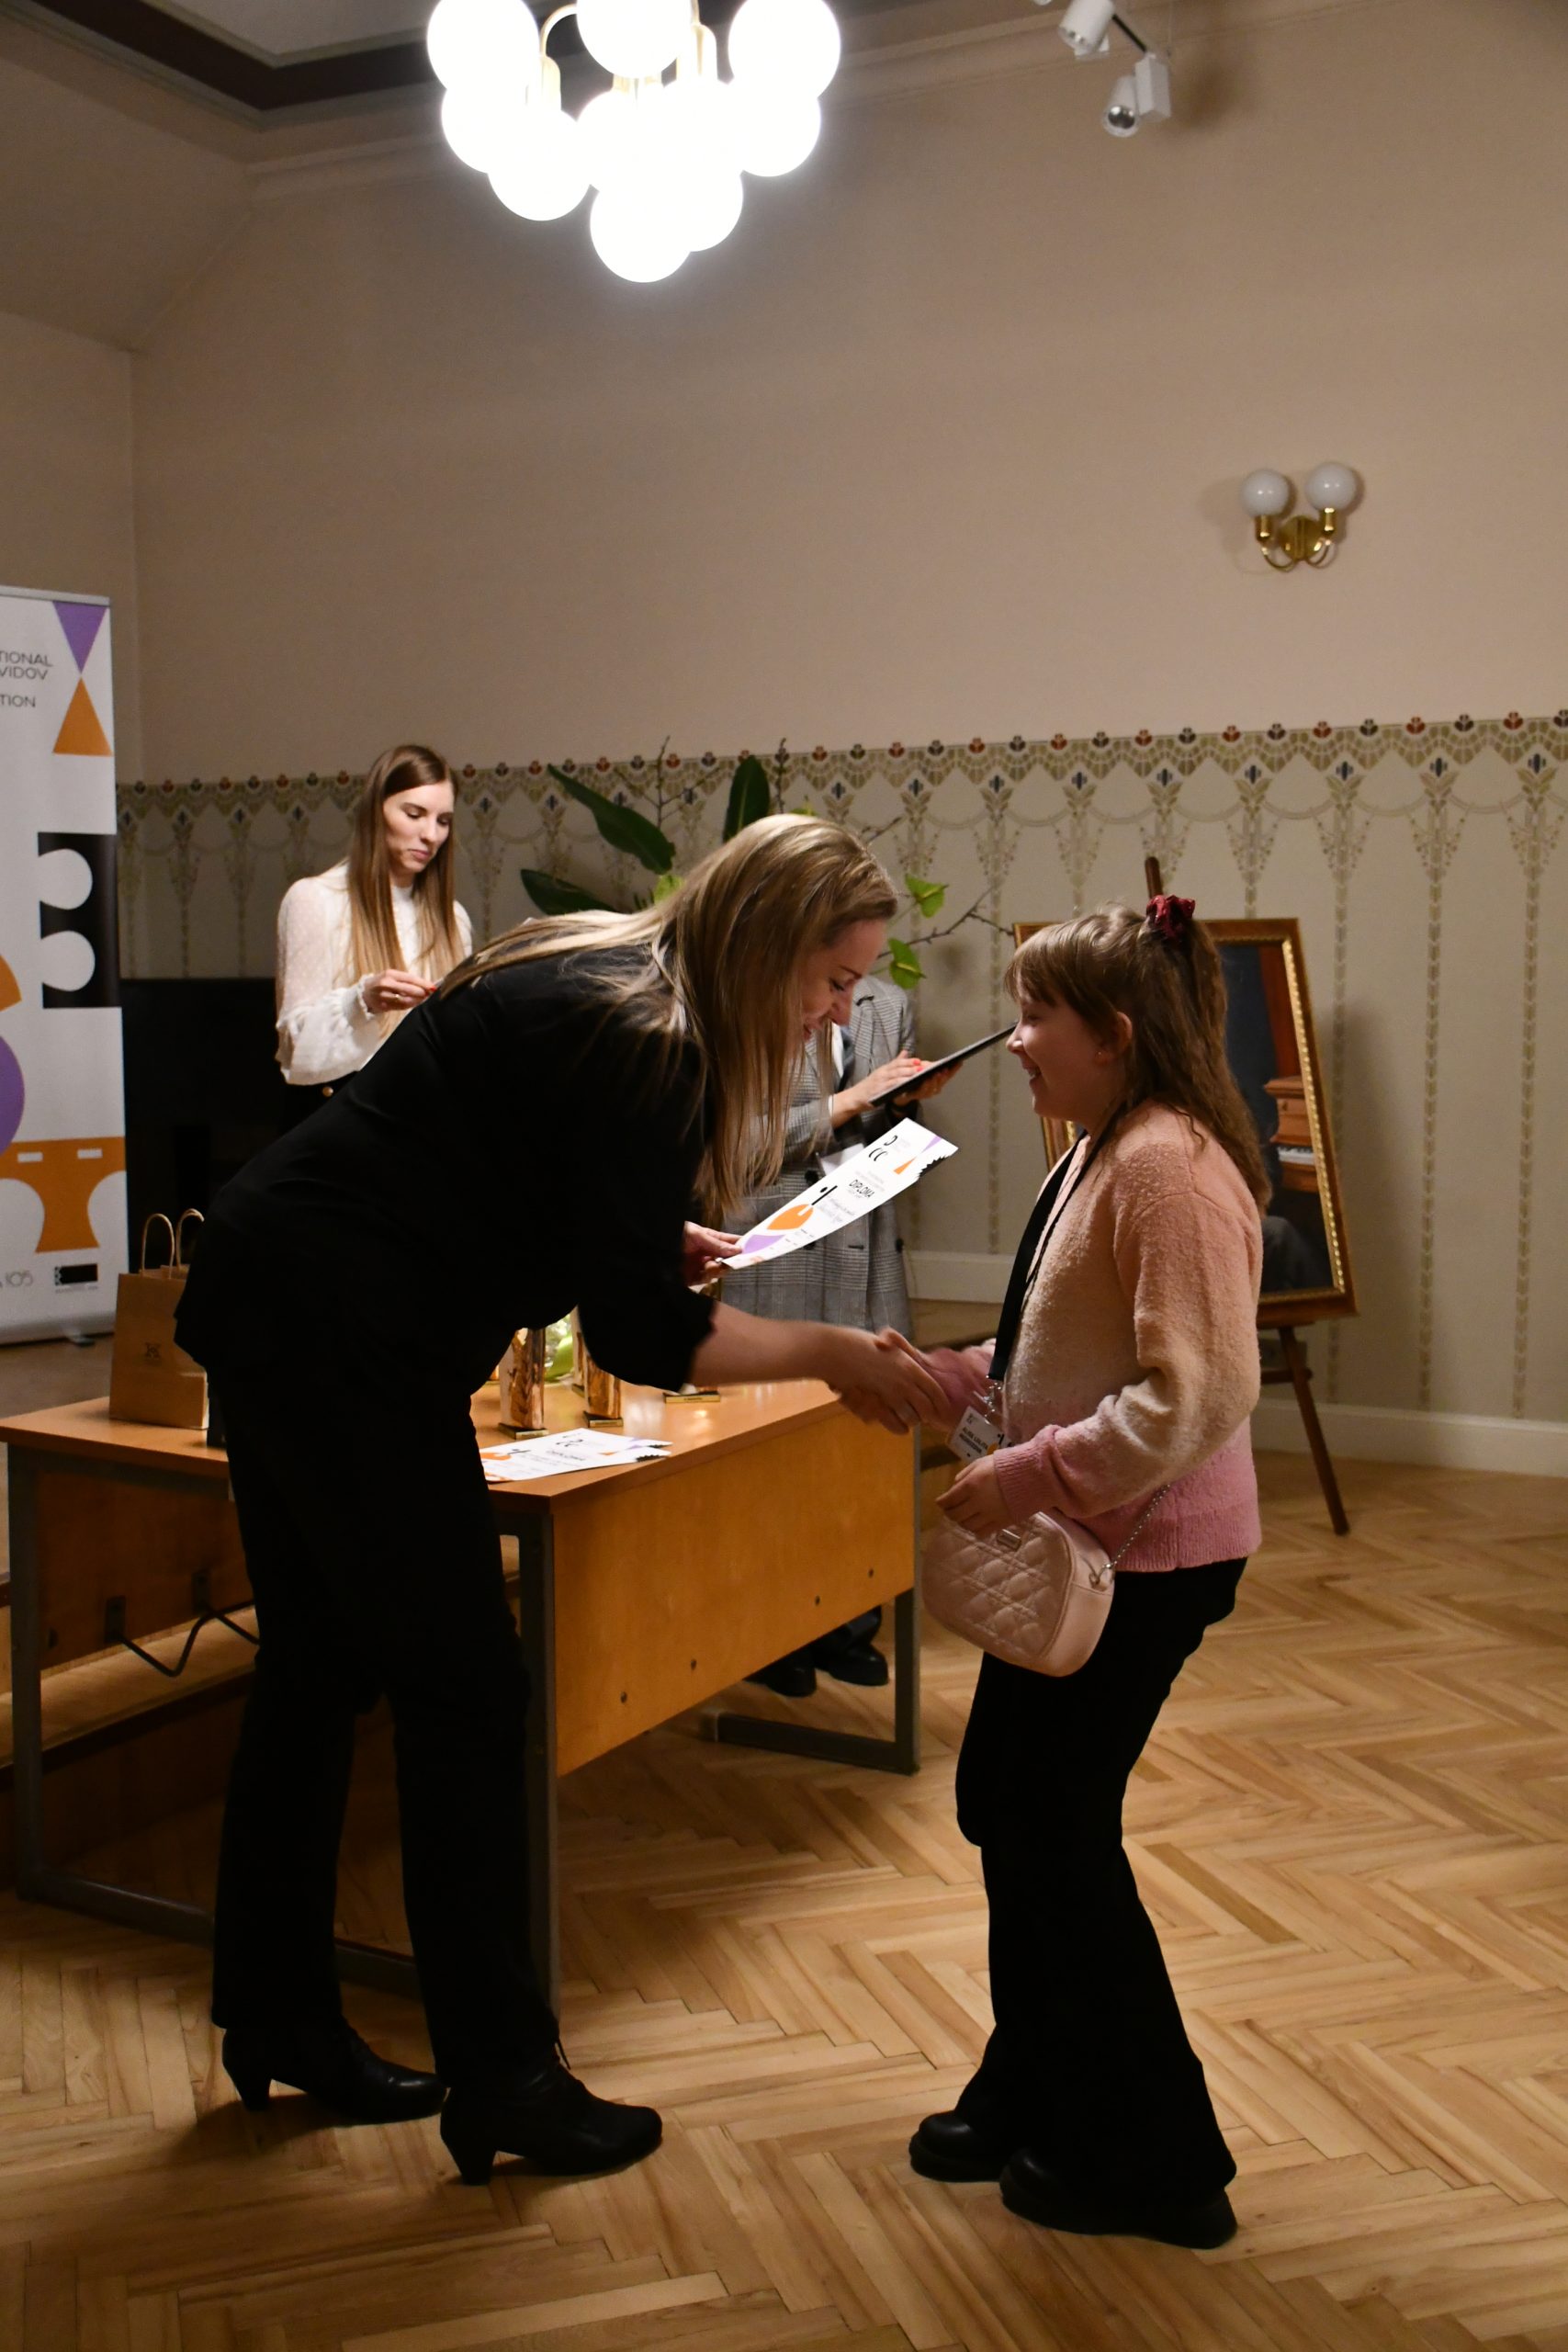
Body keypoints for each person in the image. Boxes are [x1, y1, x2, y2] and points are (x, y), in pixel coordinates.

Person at [175, 815, 948, 2187]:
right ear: (767, 945)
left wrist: (639, 1232)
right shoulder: (655, 1038)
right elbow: (646, 1339)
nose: (842, 1011)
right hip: (345, 1334)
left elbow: (503, 1161)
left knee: (316, 1668)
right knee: (469, 1696)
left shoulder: (605, 969)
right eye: (833, 979)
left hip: (274, 1287)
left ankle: (280, 2013)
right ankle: (507, 2082)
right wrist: (836, 1355)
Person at [903, 894, 1267, 2249]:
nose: (1013, 1041)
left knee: (1050, 1826)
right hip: (1096, 1535)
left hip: (1144, 1555)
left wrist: (1024, 1475)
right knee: (1010, 1805)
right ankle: (1035, 2085)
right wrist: (946, 1383)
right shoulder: (1106, 1145)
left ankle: (1157, 2162)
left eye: (1034, 1015)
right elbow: (1059, 1353)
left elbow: (1193, 1397)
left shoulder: (1166, 1166)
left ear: (1112, 1033)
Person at [725, 967, 953, 1693]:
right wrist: (851, 1099)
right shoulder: (742, 993)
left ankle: (848, 1620)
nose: (848, 994)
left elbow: (892, 1142)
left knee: (863, 1450)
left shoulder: (891, 1002)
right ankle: (770, 1634)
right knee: (770, 1458)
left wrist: (904, 1110)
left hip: (865, 1250)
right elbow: (729, 1144)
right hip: (770, 1252)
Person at [275, 743, 472, 1088]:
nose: (431, 835)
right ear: (376, 812)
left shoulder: (454, 919)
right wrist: (361, 1002)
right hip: (341, 1108)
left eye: (443, 821)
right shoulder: (314, 900)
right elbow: (296, 1049)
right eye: (414, 814)